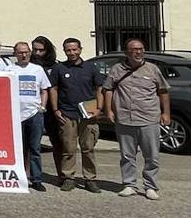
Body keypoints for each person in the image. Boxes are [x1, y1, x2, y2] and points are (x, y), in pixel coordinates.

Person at [104, 38, 170, 200]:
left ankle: (150, 186)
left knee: (152, 155)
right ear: (126, 52)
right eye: (134, 49)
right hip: (125, 118)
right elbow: (108, 90)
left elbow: (163, 92)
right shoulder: (117, 69)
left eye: (140, 49)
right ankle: (129, 184)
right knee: (127, 155)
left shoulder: (152, 69)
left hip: (148, 118)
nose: (138, 52)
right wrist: (109, 110)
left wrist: (166, 113)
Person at [53, 37, 104, 192]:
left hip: (88, 113)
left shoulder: (91, 68)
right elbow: (53, 89)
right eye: (68, 50)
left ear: (80, 49)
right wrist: (55, 109)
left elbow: (99, 89)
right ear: (64, 51)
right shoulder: (59, 68)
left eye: (75, 49)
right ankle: (68, 177)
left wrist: (99, 108)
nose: (72, 53)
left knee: (88, 148)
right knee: (68, 148)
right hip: (67, 113)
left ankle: (90, 179)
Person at [11, 41, 52, 191]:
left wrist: (42, 107)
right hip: (15, 115)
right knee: (18, 149)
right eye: (20, 52)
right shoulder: (10, 69)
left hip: (34, 114)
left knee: (35, 148)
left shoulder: (38, 69)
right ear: (15, 54)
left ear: (30, 53)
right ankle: (20, 177)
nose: (23, 55)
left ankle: (36, 179)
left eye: (26, 52)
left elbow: (44, 90)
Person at [32, 35, 63, 175]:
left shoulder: (56, 66)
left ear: (48, 50)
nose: (37, 53)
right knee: (31, 144)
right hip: (33, 109)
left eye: (41, 50)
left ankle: (63, 174)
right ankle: (31, 174)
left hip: (52, 110)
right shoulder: (29, 65)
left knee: (57, 143)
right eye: (34, 50)